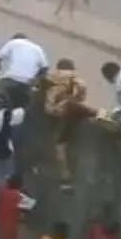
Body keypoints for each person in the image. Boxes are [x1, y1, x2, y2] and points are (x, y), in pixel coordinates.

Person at [44, 59, 92, 191]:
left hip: (52, 113)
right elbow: (81, 96)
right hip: (67, 111)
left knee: (58, 143)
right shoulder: (76, 78)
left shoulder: (51, 77)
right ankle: (65, 177)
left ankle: (64, 176)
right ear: (72, 67)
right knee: (61, 144)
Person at [0, 33, 48, 109]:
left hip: (10, 80)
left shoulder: (13, 42)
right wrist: (36, 80)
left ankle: (0, 105)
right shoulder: (38, 48)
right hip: (27, 84)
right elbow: (45, 68)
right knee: (23, 106)